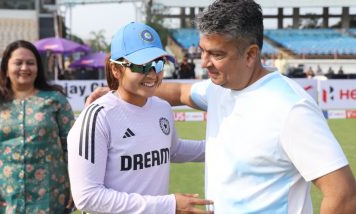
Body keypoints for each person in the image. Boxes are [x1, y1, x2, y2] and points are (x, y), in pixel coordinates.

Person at [86, 1, 356, 213]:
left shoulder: (290, 108)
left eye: (217, 54)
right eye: (202, 50)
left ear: (250, 54)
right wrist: (120, 92)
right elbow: (179, 92)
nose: (204, 62)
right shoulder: (219, 87)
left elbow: (343, 195)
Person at [67, 22, 213, 214]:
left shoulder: (161, 107)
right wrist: (168, 205)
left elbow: (173, 150)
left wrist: (221, 148)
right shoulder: (97, 117)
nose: (153, 73)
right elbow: (87, 196)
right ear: (116, 70)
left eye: (158, 63)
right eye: (142, 66)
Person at [0, 40, 75, 213]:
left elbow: (72, 148)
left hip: (51, 197)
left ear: (38, 68)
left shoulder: (55, 100)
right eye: (18, 63)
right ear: (6, 68)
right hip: (4, 199)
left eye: (30, 63)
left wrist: (77, 186)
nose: (24, 68)